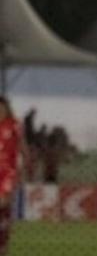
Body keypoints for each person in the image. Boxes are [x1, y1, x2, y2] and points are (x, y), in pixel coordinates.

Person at [0, 97, 25, 256]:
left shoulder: (14, 125)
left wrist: (25, 166)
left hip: (8, 173)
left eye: (2, 108)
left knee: (3, 205)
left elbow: (22, 147)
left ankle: (3, 244)